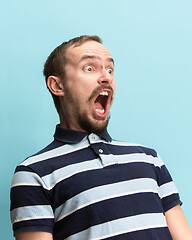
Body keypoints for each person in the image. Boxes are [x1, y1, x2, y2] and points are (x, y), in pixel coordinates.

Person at [10, 35, 192, 240]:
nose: (106, 77)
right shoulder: (34, 173)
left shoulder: (148, 158)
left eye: (110, 69)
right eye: (89, 68)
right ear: (57, 86)